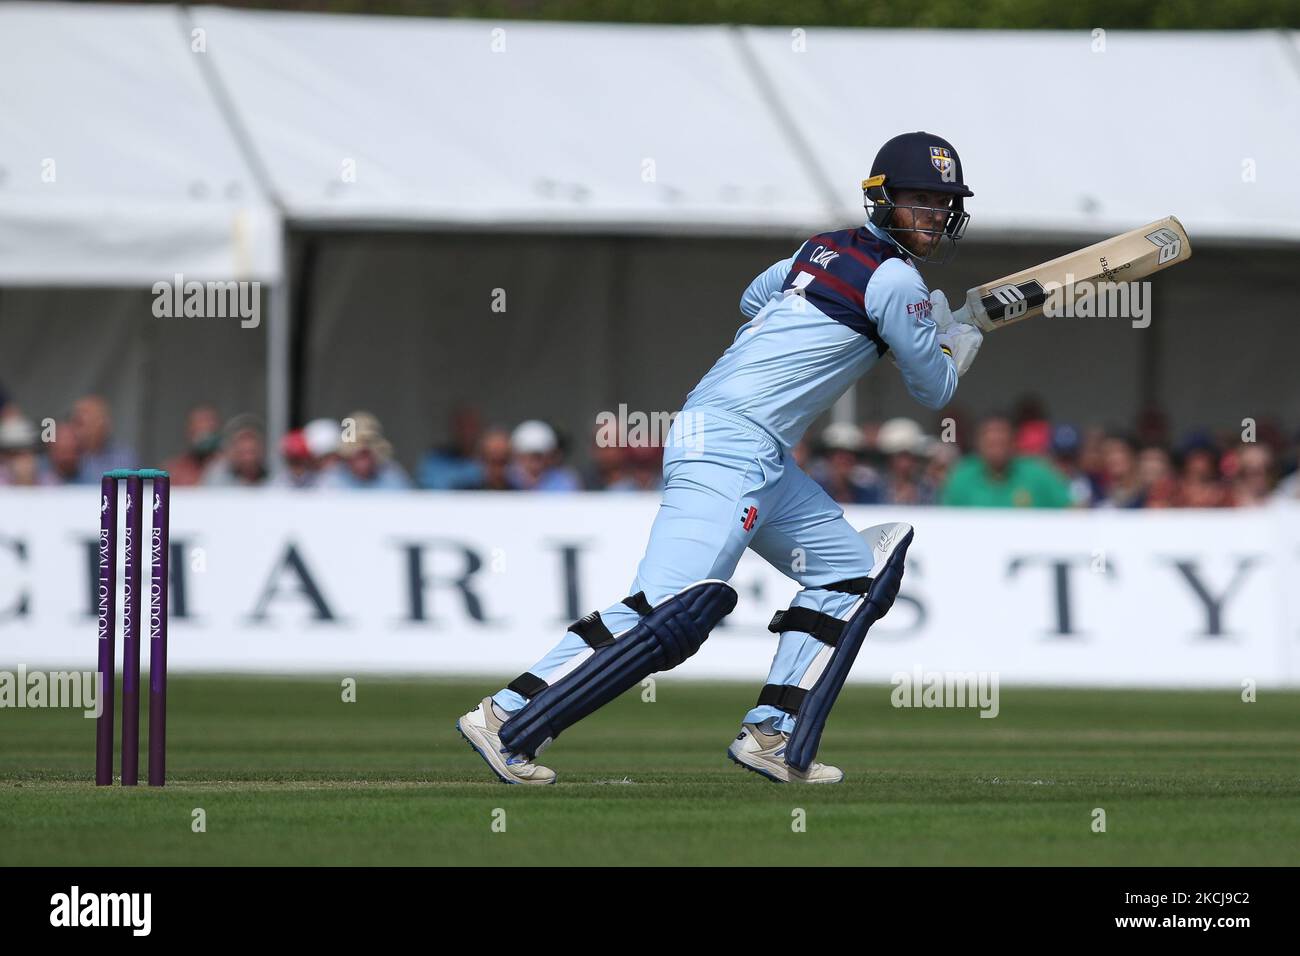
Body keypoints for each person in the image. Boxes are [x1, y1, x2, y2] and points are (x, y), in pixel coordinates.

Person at [456, 130, 983, 786]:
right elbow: (933, 387)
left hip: (749, 445)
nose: (932, 214)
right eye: (918, 200)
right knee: (670, 610)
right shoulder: (897, 278)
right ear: (882, 199)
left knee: (850, 574)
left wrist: (874, 331)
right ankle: (507, 714)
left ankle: (772, 732)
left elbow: (753, 299)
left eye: (942, 201)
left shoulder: (822, 249)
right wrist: (959, 336)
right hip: (730, 444)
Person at [942, 415, 1071, 508]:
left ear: (1013, 442)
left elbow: (1072, 510)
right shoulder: (960, 477)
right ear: (978, 444)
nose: (997, 450)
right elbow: (942, 519)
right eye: (991, 444)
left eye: (1002, 443)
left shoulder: (1039, 474)